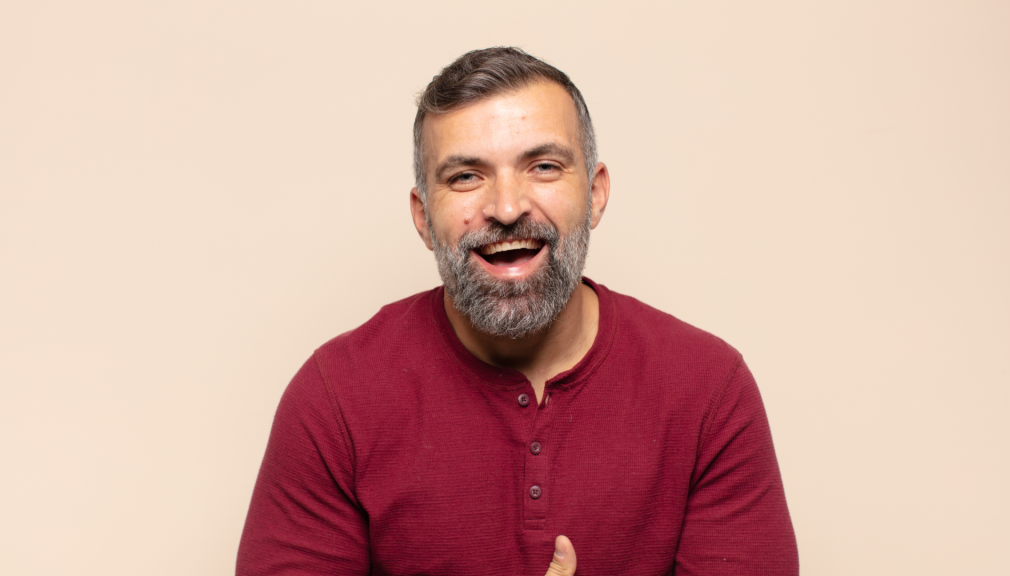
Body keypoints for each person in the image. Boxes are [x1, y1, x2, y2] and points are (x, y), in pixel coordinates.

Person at [237, 47, 798, 576]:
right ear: (423, 217)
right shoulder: (334, 400)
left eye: (544, 167)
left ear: (596, 193)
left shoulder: (709, 393)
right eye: (465, 177)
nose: (506, 208)